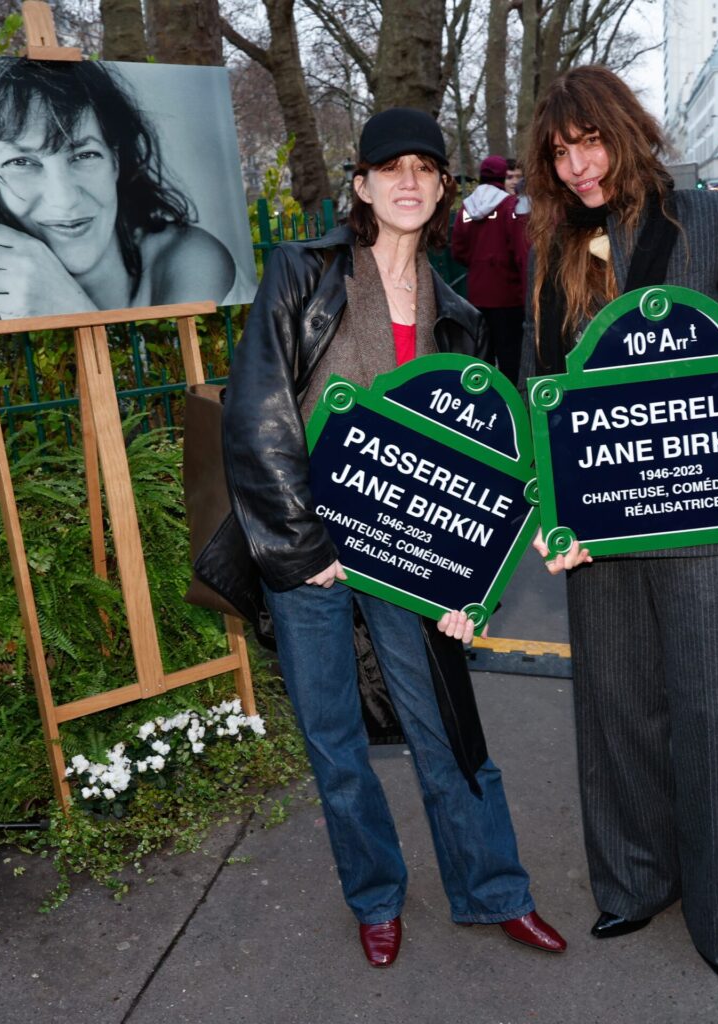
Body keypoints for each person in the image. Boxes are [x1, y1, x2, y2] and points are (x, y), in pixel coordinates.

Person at [222, 107, 566, 968]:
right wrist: (304, 549)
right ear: (362, 185)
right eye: (391, 167)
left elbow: (476, 462)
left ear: (445, 186)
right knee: (336, 741)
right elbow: (257, 414)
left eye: (426, 166)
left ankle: (493, 889)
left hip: (411, 555)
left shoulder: (458, 312)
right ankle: (375, 896)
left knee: (448, 727)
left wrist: (468, 582)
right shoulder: (303, 273)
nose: (409, 180)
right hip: (308, 550)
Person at [520, 66, 718, 985]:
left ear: (627, 130)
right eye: (561, 152)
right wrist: (549, 509)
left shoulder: (709, 220)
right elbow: (542, 383)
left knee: (708, 705)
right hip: (602, 521)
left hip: (705, 510)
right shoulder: (553, 243)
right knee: (615, 706)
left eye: (592, 142)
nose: (579, 166)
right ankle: (632, 882)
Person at [0, 56, 235, 332]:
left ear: (115, 160)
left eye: (84, 155)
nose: (65, 199)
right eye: (20, 162)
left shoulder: (190, 259)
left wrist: (70, 309)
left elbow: (158, 396)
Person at [450, 155, 530, 385]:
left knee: (482, 356)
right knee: (510, 357)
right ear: (503, 175)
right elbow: (520, 250)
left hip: (477, 293)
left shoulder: (466, 207)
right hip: (509, 295)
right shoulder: (509, 207)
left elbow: (458, 250)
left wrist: (477, 265)